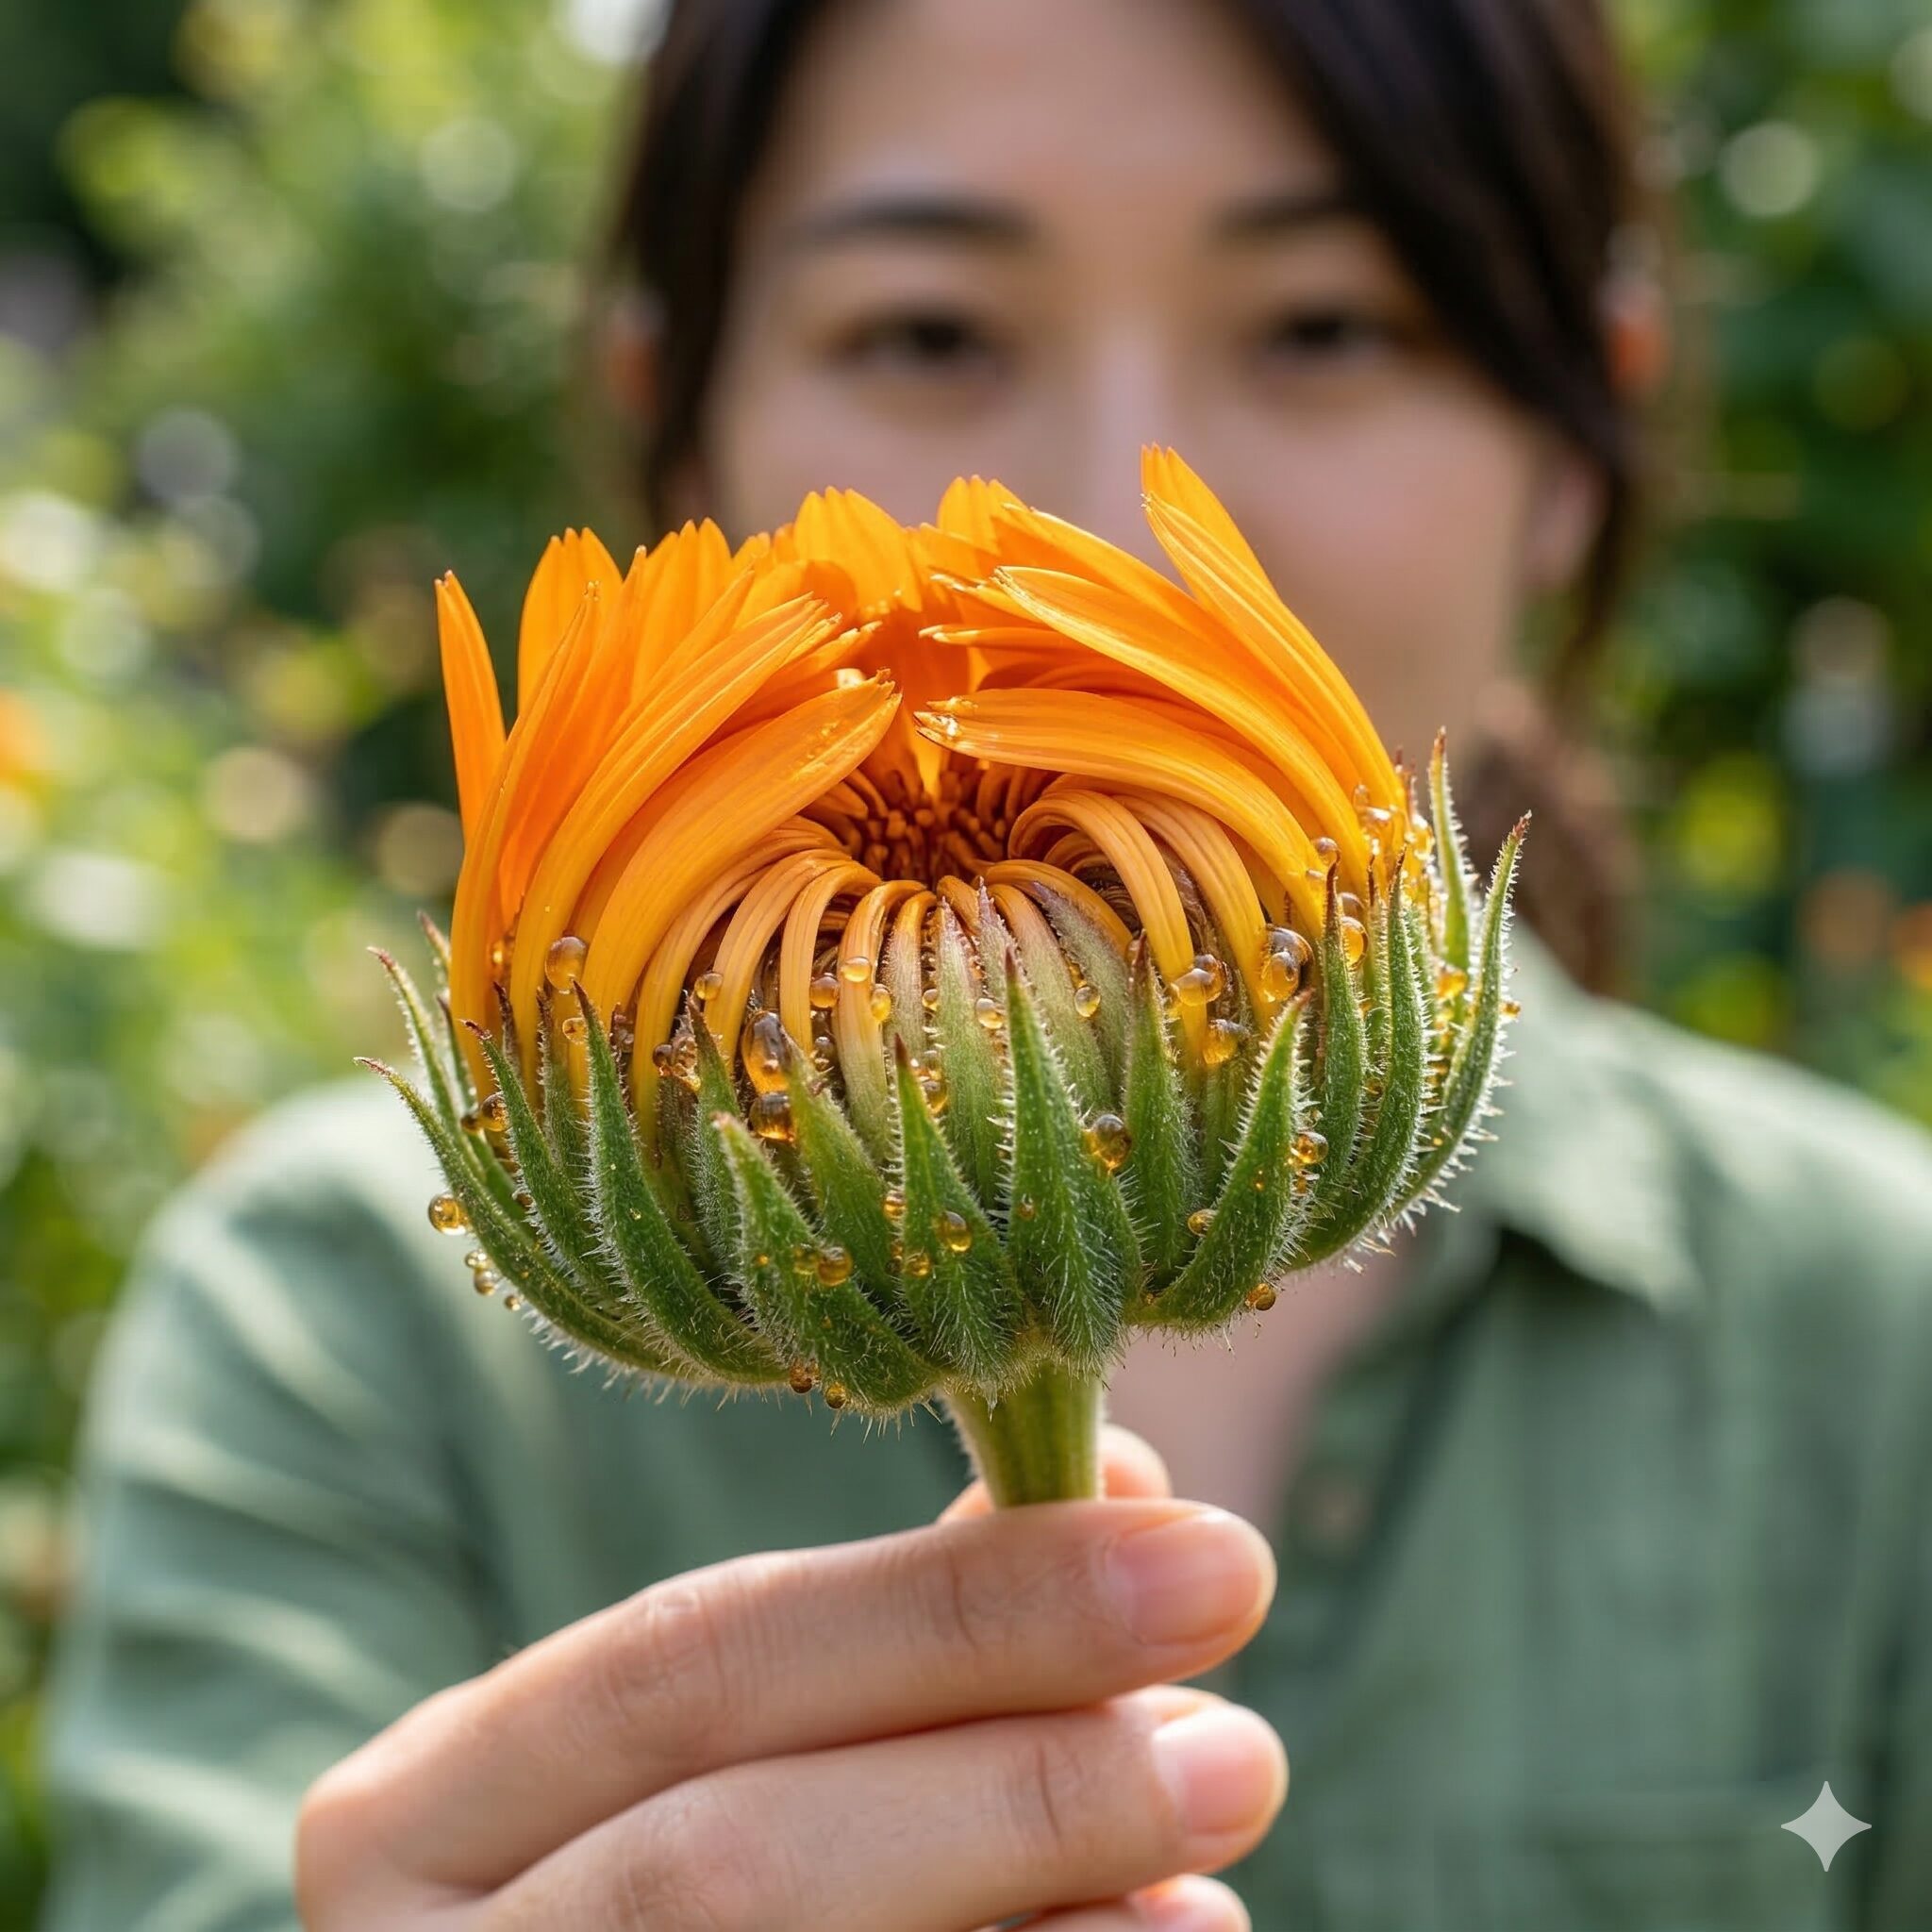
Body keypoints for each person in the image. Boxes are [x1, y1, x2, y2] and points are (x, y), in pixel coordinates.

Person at [40, 1, 1932, 1926]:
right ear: (669, 415)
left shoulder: (1885, 1353)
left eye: (1325, 327)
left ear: (1577, 432)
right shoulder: (346, 1336)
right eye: (928, 333)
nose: (1094, 519)